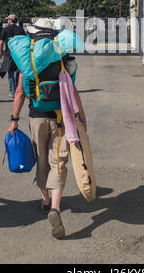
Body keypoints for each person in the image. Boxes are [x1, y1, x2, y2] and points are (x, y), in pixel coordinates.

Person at [8, 18, 87, 239]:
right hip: (59, 116)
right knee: (59, 162)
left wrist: (14, 120)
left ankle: (44, 200)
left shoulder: (29, 59)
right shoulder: (61, 56)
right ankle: (55, 208)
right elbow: (73, 90)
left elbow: (20, 93)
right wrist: (82, 116)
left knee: (41, 160)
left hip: (36, 117)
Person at [0, 14, 25, 98]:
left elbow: (1, 42)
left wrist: (0, 51)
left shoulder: (5, 30)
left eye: (8, 20)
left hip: (8, 53)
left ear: (10, 20)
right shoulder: (21, 30)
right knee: (18, 72)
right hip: (19, 53)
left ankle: (12, 91)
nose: (7, 21)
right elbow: (24, 42)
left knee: (10, 72)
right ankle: (18, 90)